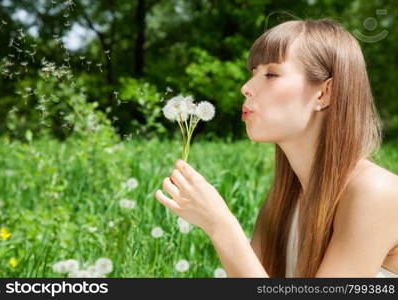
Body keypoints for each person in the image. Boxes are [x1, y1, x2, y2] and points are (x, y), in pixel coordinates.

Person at [155, 18, 398, 278]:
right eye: (253, 74)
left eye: (271, 74)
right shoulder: (284, 200)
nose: (246, 88)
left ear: (324, 93)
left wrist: (220, 225)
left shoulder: (376, 193)